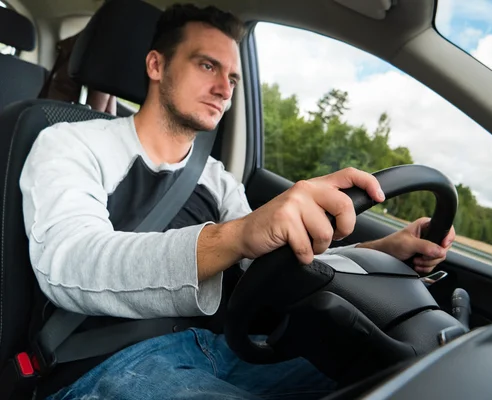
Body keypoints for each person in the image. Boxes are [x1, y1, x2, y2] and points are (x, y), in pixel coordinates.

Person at [20, 4, 456, 400]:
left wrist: (383, 250)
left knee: (397, 377)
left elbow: (269, 265)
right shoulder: (67, 142)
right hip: (108, 363)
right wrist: (236, 235)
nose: (223, 89)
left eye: (231, 78)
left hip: (223, 349)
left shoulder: (216, 177)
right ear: (157, 64)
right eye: (207, 65)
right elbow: (68, 262)